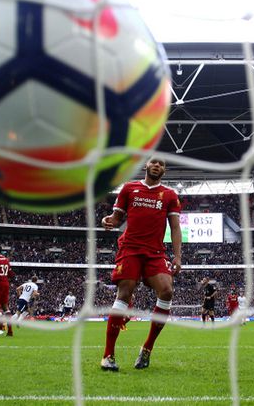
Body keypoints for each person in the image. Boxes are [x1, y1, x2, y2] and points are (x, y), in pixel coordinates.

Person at [100, 156, 182, 371]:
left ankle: (146, 350)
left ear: (164, 170)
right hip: (130, 249)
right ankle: (108, 355)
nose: (157, 165)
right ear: (146, 166)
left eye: (162, 164)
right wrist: (107, 220)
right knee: (124, 293)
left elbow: (174, 227)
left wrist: (178, 256)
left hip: (155, 252)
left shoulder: (170, 195)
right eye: (154, 162)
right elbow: (116, 218)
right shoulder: (129, 188)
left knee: (166, 291)